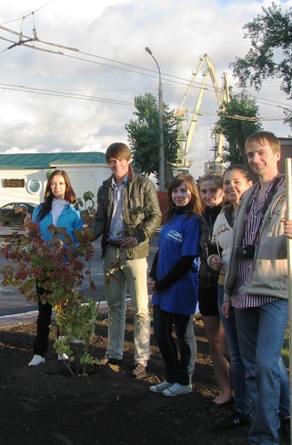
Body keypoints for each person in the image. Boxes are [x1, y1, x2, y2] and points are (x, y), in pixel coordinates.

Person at [221, 132, 292, 444]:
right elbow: (238, 245)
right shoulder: (248, 197)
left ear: (277, 155)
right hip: (243, 291)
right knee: (254, 367)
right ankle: (277, 419)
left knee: (266, 365)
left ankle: (265, 436)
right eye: (250, 154)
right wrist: (228, 292)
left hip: (275, 290)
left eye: (261, 153)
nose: (255, 159)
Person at [91, 142, 162, 379]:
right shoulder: (104, 189)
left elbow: (155, 215)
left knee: (141, 308)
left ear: (128, 160)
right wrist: (86, 235)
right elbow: (101, 221)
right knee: (115, 306)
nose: (116, 164)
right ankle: (114, 354)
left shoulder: (143, 184)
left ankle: (141, 359)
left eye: (120, 159)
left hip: (135, 253)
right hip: (111, 252)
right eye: (111, 160)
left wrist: (140, 235)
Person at [147, 174, 201, 397]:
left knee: (184, 335)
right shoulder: (170, 219)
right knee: (161, 333)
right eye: (175, 191)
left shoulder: (193, 221)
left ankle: (184, 381)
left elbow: (187, 259)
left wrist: (163, 283)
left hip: (180, 286)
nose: (179, 195)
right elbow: (161, 251)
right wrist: (152, 276)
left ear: (192, 194)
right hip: (162, 287)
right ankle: (170, 376)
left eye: (184, 191)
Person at [28, 170, 84, 366]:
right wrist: (40, 250)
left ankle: (62, 349)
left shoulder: (74, 213)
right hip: (44, 265)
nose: (57, 187)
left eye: (61, 183)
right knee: (44, 310)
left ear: (66, 186)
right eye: (53, 184)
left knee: (63, 310)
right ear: (49, 187)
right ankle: (39, 353)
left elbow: (77, 240)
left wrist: (65, 248)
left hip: (64, 266)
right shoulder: (40, 210)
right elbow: (33, 236)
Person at [197, 173, 233, 407]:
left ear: (222, 192)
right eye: (204, 191)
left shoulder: (230, 214)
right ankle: (226, 389)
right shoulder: (199, 218)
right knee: (213, 342)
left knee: (230, 345)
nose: (208, 195)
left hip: (229, 285)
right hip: (206, 284)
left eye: (213, 190)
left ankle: (244, 389)